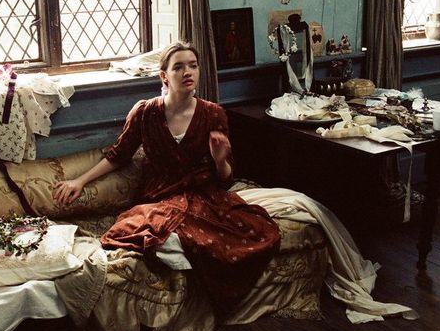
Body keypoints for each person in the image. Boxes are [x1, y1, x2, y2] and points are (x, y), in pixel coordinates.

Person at [53, 42, 281, 314]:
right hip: (159, 197)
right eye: (179, 67)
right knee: (154, 235)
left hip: (203, 196)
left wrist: (220, 159)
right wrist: (79, 181)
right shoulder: (145, 112)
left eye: (193, 66)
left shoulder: (213, 114)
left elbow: (225, 180)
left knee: (261, 233)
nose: (188, 72)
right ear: (164, 76)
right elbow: (119, 155)